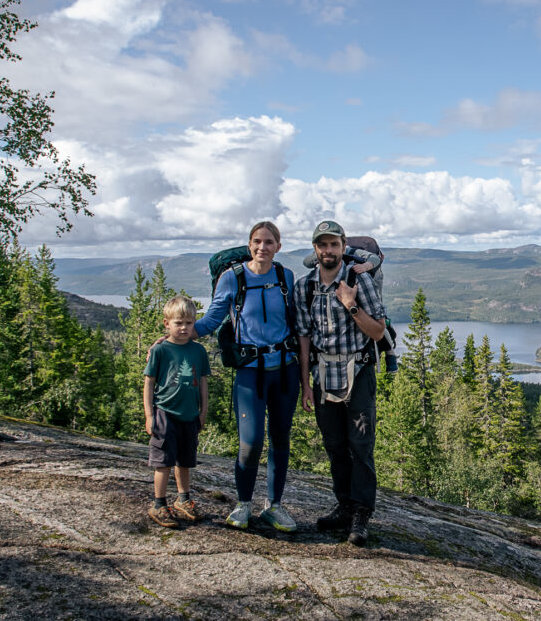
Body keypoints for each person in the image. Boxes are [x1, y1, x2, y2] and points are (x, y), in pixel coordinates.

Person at [194, 220, 309, 531]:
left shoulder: (285, 276)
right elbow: (212, 318)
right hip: (249, 373)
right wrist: (179, 335)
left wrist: (305, 379)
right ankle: (244, 503)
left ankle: (274, 506)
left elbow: (299, 327)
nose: (263, 247)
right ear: (249, 245)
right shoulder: (232, 279)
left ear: (278, 247)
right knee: (251, 441)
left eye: (269, 242)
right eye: (257, 241)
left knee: (280, 439)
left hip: (284, 371)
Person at [294, 220, 386, 546]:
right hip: (323, 375)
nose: (328, 250)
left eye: (334, 244)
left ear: (343, 246)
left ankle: (361, 513)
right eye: (322, 245)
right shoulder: (304, 286)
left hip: (358, 372)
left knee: (361, 445)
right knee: (334, 445)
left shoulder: (359, 281)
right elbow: (304, 337)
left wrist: (351, 305)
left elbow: (377, 331)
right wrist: (306, 383)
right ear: (315, 249)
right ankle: (344, 506)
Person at [144, 294, 210, 528]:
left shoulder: (198, 351)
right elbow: (149, 382)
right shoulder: (161, 350)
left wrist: (202, 412)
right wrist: (150, 416)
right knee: (163, 461)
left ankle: (183, 499)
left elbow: (202, 382)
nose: (183, 328)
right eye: (178, 323)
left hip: (190, 414)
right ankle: (159, 504)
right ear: (167, 323)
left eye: (189, 323)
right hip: (165, 413)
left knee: (185, 460)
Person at [302, 239, 398, 373]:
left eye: (334, 245)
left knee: (378, 318)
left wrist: (365, 266)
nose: (330, 250)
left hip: (361, 285)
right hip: (340, 285)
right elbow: (307, 262)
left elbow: (374, 258)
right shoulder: (323, 254)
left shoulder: (352, 251)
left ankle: (390, 354)